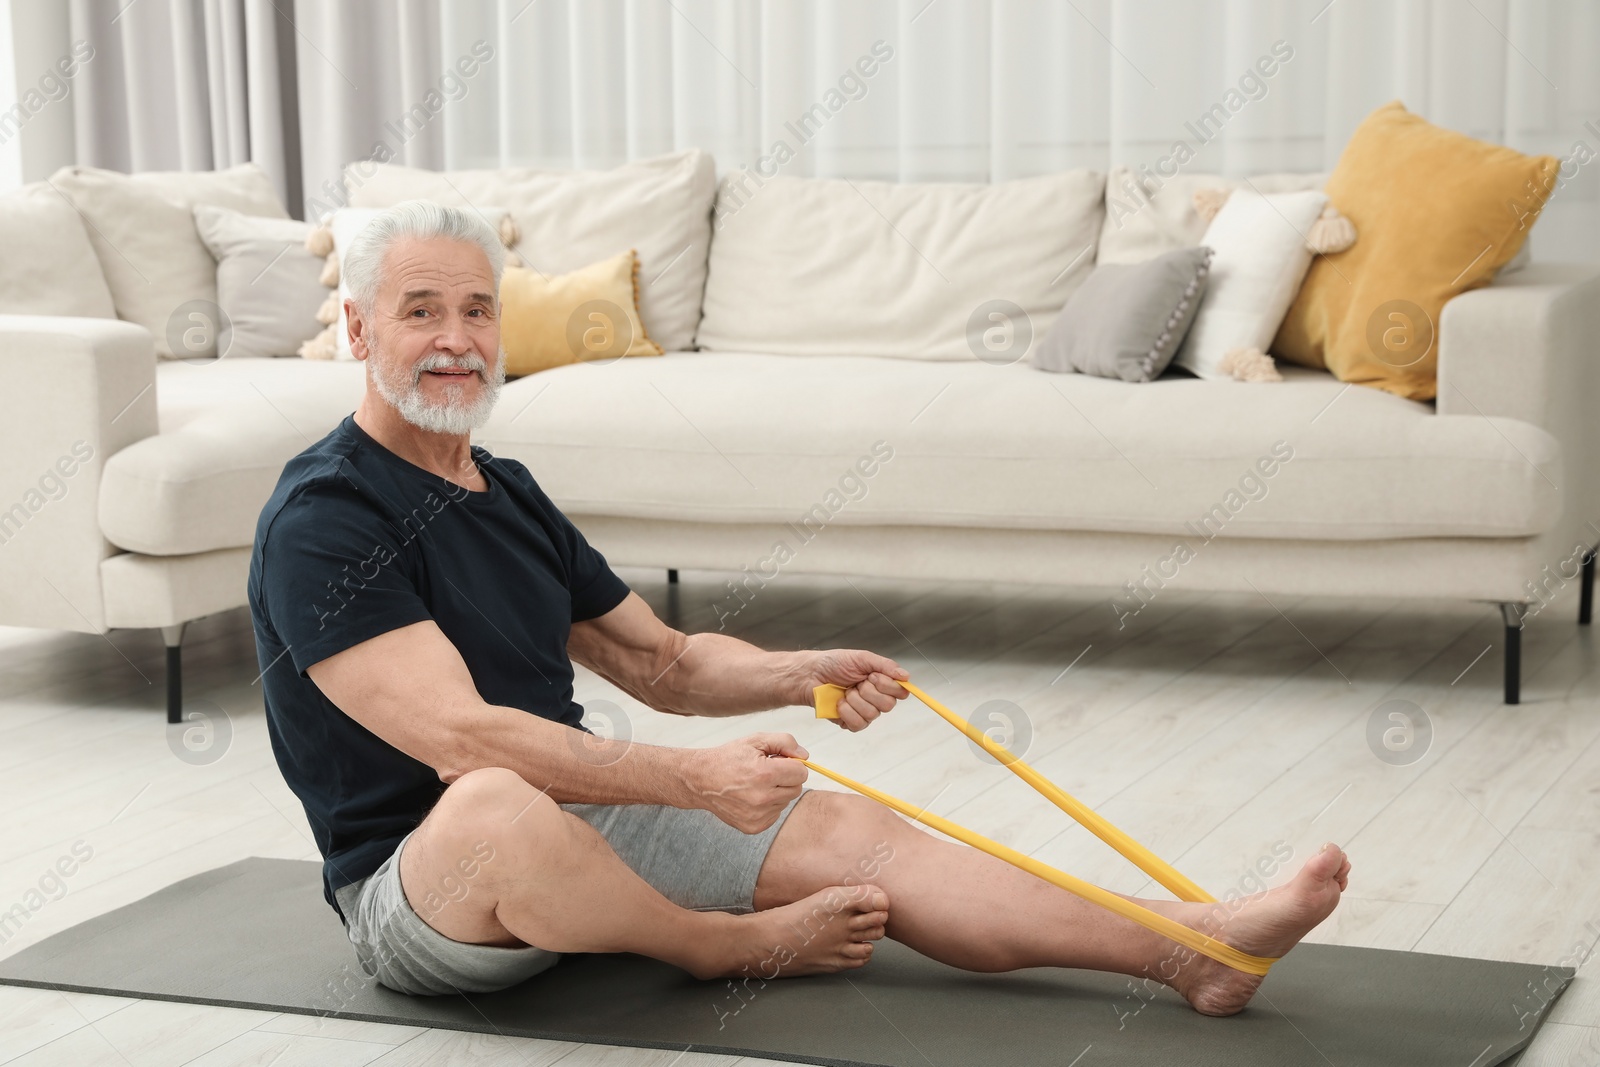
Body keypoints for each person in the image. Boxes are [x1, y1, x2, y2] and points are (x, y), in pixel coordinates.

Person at [247, 201, 1349, 1016]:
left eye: (477, 309)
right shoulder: (326, 517)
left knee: (858, 836)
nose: (457, 338)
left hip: (574, 817)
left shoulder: (506, 489)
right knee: (496, 799)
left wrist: (799, 670)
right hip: (425, 883)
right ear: (356, 329)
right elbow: (461, 737)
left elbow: (663, 662)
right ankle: (709, 945)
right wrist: (695, 777)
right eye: (420, 310)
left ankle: (1194, 945)